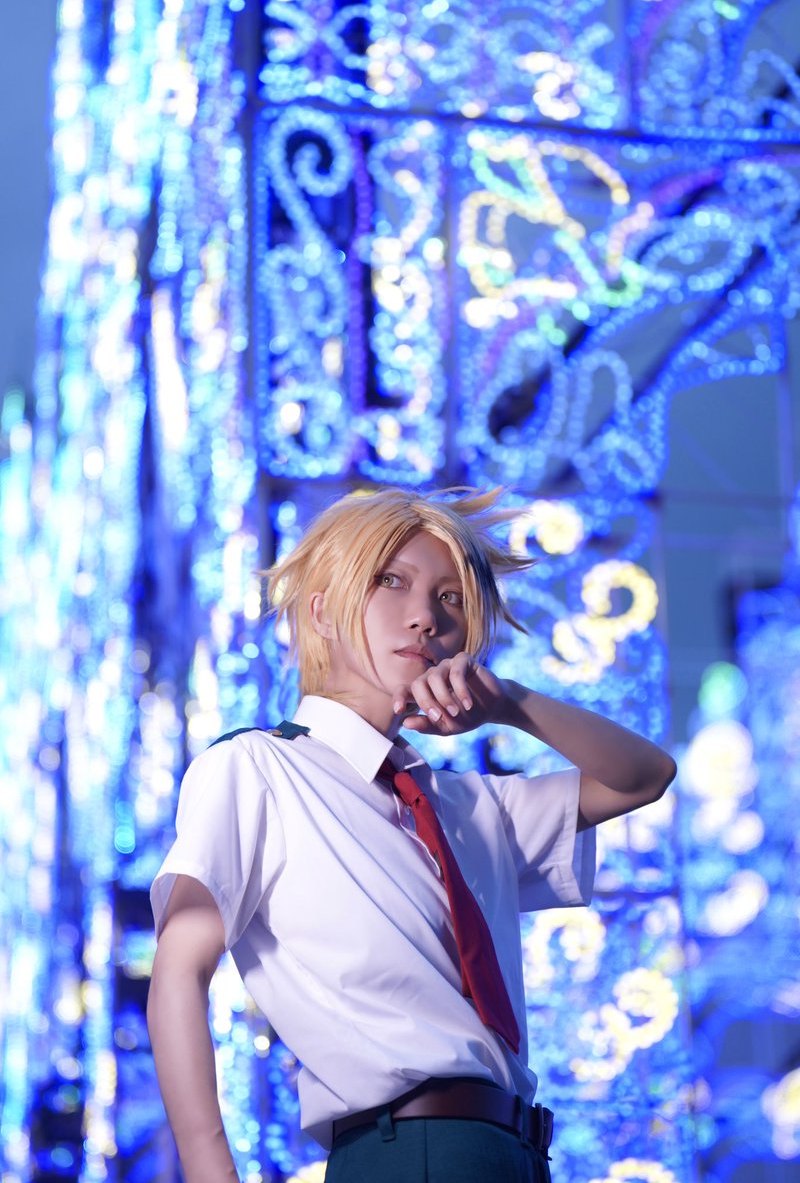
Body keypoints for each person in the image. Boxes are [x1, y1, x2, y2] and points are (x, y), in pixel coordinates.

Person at [147, 487, 676, 1183]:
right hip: (406, 1148)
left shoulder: (468, 806)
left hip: (517, 1151)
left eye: (450, 598)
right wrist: (210, 1170)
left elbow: (644, 776)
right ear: (321, 611)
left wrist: (512, 704)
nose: (426, 616)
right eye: (390, 581)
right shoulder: (258, 769)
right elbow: (179, 967)